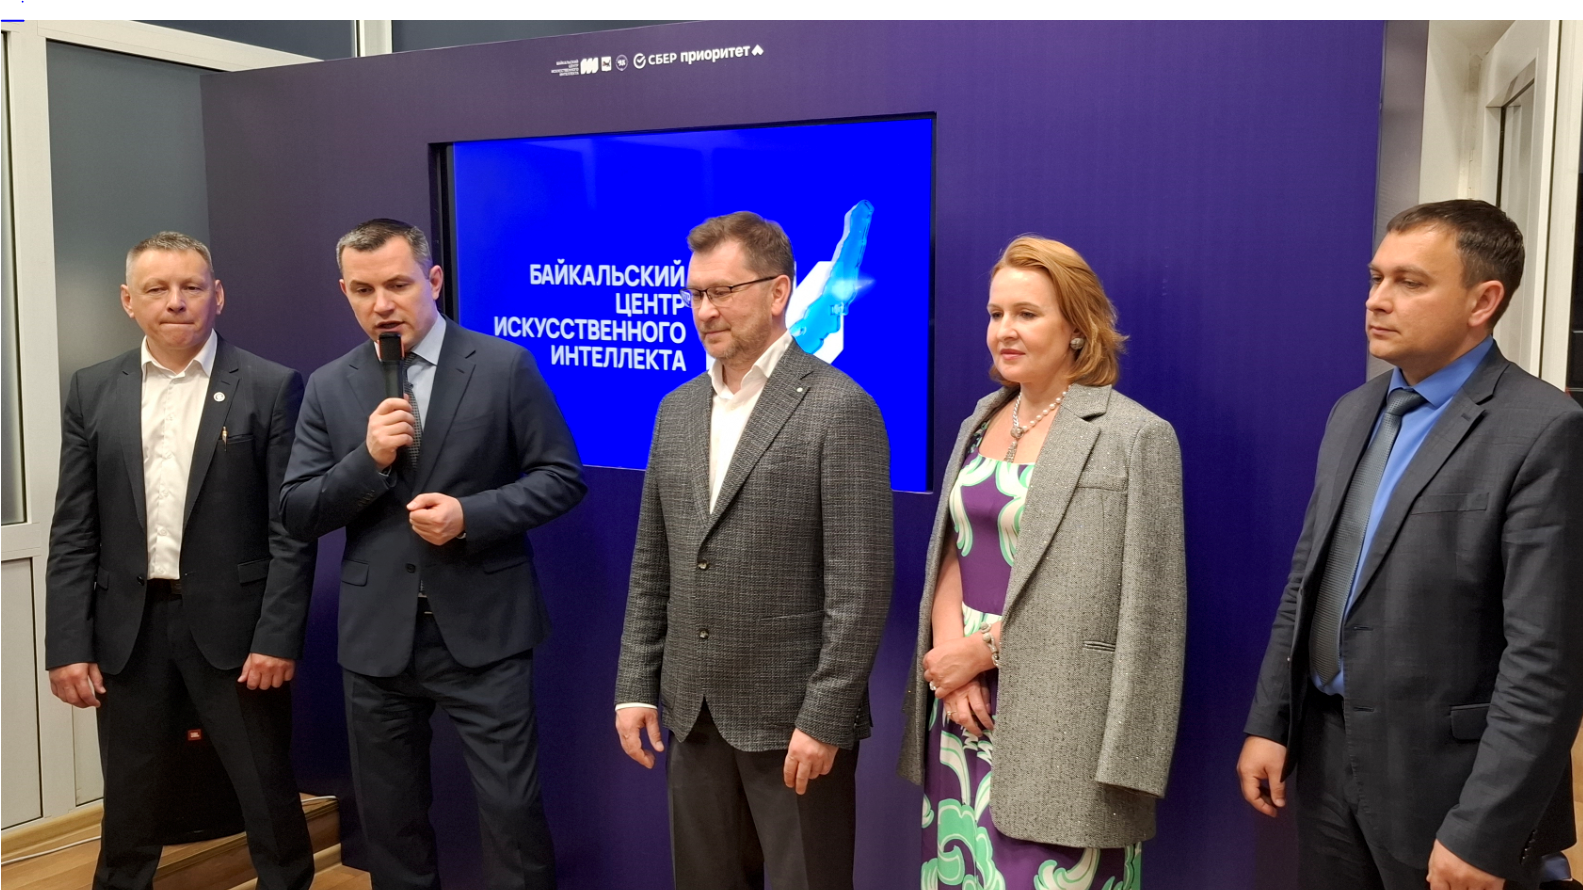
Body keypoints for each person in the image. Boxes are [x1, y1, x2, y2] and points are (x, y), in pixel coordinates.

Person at [1238, 199, 1583, 890]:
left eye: (1409, 282)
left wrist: (1485, 829)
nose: (1377, 300)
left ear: (1483, 301)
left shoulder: (1544, 429)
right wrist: (1270, 721)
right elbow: (1308, 579)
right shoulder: (1353, 412)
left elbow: (1546, 661)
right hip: (1327, 759)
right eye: (1376, 278)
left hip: (1449, 784)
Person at [280, 219, 585, 890]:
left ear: (434, 280)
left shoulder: (502, 366)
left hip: (486, 630)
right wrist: (367, 460)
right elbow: (299, 510)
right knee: (391, 826)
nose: (381, 304)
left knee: (512, 815)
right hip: (376, 642)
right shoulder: (329, 385)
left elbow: (561, 478)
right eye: (363, 290)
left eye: (397, 284)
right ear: (344, 291)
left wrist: (469, 517)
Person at [613, 211, 893, 890]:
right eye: (696, 294)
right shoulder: (676, 410)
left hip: (794, 722)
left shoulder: (839, 408)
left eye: (723, 291)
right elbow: (653, 564)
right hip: (692, 711)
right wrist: (635, 687)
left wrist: (825, 719)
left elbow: (858, 587)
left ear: (777, 292)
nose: (705, 310)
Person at [898, 235, 1187, 889]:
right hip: (962, 713)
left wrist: (982, 652)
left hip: (1066, 727)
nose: (1005, 330)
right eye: (995, 313)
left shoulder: (1133, 436)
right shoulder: (981, 420)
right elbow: (953, 548)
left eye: (1026, 314)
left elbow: (1147, 614)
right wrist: (950, 663)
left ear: (1078, 327)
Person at [46, 232, 316, 890]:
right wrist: (67, 644)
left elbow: (291, 531)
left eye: (191, 287)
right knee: (130, 799)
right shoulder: (92, 389)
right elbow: (74, 528)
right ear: (127, 300)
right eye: (157, 289)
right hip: (128, 630)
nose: (175, 301)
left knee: (265, 792)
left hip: (238, 633)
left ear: (216, 295)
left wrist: (277, 636)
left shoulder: (269, 386)